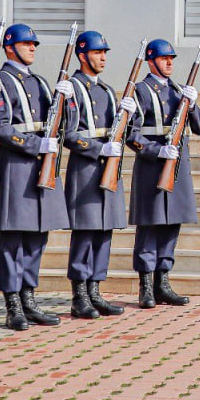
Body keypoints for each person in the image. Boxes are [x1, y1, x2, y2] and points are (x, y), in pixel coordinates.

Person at [0, 23, 73, 330]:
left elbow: (56, 121)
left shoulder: (39, 81)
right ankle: (13, 305)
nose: (33, 48)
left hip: (43, 164)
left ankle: (29, 299)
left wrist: (65, 101)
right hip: (17, 166)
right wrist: (36, 145)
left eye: (34, 44)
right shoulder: (0, 81)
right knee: (14, 240)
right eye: (27, 44)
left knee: (38, 236)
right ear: (10, 48)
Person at [125, 39, 200, 309]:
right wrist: (155, 151)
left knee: (172, 224)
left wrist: (192, 105)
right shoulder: (140, 91)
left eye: (171, 58)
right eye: (164, 58)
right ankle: (146, 286)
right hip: (152, 166)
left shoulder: (179, 90)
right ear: (151, 61)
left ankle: (163, 283)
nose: (169, 62)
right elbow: (131, 134)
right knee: (150, 226)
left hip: (178, 168)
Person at [63, 30, 131, 319]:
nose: (103, 57)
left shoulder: (105, 90)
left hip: (109, 168)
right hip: (86, 168)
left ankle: (95, 290)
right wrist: (97, 149)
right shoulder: (73, 88)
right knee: (85, 232)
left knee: (104, 232)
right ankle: (79, 295)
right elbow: (69, 134)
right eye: (97, 52)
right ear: (82, 56)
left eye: (104, 52)